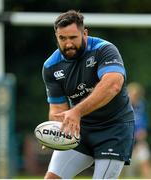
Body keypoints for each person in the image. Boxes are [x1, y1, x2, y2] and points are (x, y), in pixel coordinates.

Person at [42, 10, 135, 179]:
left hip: (113, 130)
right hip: (79, 130)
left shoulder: (104, 50)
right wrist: (54, 131)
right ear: (56, 36)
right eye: (62, 38)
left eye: (73, 38)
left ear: (84, 33)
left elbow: (113, 85)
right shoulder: (51, 66)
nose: (68, 44)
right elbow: (57, 109)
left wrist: (76, 111)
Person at [123, 82, 151, 178]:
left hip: (138, 141)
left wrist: (142, 132)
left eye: (136, 95)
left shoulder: (141, 105)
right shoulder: (122, 106)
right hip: (124, 140)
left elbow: (143, 123)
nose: (134, 97)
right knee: (119, 166)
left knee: (144, 158)